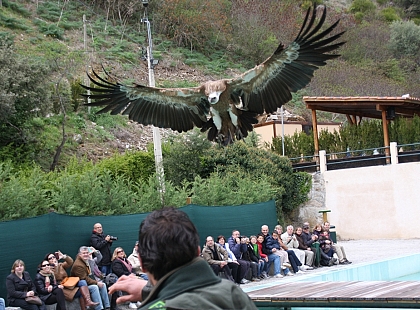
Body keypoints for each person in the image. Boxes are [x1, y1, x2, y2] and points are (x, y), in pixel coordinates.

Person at [109, 207, 257, 310]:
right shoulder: (233, 294)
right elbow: (195, 297)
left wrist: (153, 294)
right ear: (198, 251)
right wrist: (154, 291)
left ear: (142, 262)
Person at [71, 246, 110, 310]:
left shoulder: (86, 260)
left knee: (103, 285)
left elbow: (100, 258)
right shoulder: (78, 265)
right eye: (84, 253)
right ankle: (99, 308)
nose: (86, 254)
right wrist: (96, 283)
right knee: (95, 287)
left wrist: (94, 251)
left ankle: (107, 306)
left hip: (88, 282)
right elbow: (84, 278)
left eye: (87, 253)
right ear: (79, 254)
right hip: (80, 286)